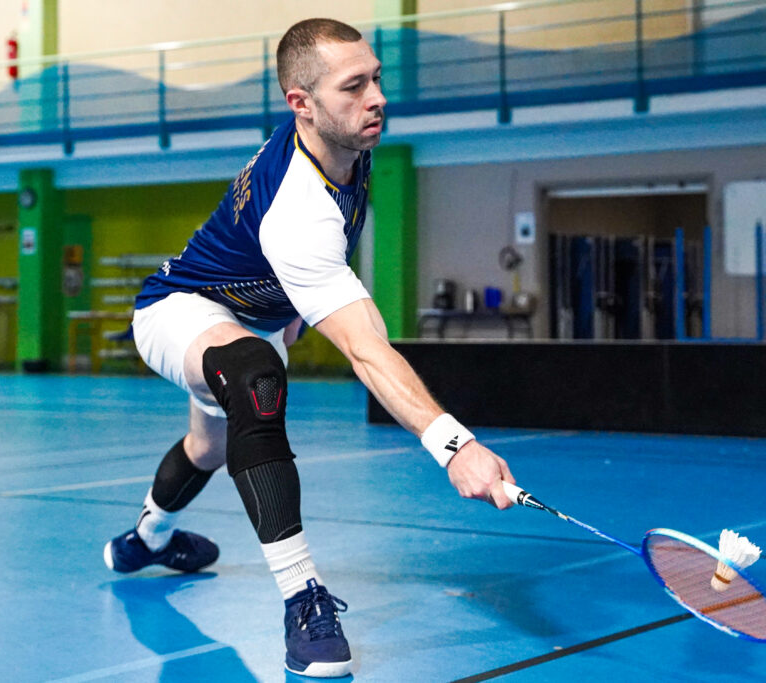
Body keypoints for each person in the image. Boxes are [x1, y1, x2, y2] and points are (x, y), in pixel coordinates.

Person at [103, 18, 516, 679]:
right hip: (177, 310)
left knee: (208, 447)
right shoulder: (299, 208)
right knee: (255, 378)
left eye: (377, 78)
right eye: (354, 86)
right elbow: (363, 346)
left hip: (254, 317)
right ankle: (304, 599)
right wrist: (455, 444)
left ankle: (143, 539)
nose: (377, 97)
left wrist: (293, 303)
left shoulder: (345, 145)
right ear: (301, 103)